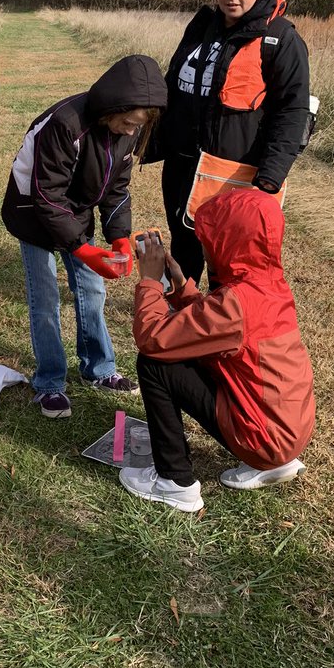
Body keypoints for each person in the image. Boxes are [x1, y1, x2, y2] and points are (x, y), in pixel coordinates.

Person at [120, 188, 315, 512]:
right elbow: (218, 329)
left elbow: (151, 337)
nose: (207, 250)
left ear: (230, 243)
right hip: (291, 429)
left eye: (211, 241)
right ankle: (276, 462)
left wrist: (151, 282)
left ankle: (175, 482)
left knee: (154, 363)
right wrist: (183, 289)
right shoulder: (269, 284)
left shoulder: (235, 303)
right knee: (192, 350)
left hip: (264, 438)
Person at [1, 55, 167, 418]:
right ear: (113, 107)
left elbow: (117, 187)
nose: (130, 131)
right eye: (127, 122)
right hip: (33, 212)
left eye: (136, 126)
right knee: (44, 298)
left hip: (73, 210)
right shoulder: (65, 124)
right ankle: (48, 383)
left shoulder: (129, 129)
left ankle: (99, 368)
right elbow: (46, 195)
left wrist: (119, 235)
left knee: (92, 289)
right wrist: (82, 249)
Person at [148, 0, 311, 284]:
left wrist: (270, 176)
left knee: (227, 256)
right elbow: (174, 81)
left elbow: (292, 111)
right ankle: (184, 318)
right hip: (181, 162)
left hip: (231, 170)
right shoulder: (201, 26)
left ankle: (222, 325)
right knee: (185, 243)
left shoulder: (281, 38)